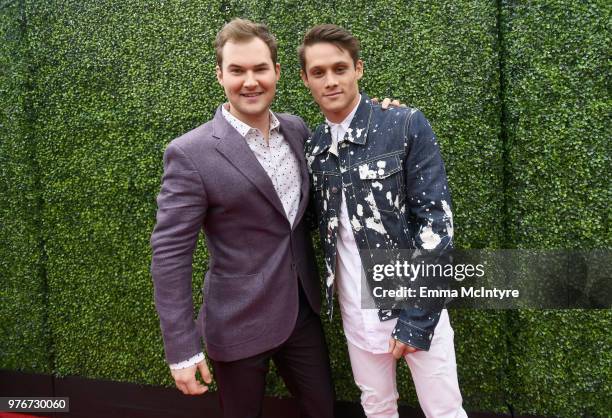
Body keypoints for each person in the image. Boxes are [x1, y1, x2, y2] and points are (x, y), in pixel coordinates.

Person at [150, 18, 335, 418]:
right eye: (237, 70)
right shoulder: (190, 153)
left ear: (277, 72)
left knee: (323, 409)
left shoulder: (298, 130)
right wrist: (182, 349)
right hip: (237, 321)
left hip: (302, 311)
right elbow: (169, 255)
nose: (250, 81)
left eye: (259, 69)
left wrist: (389, 117)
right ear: (220, 75)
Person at [299, 24, 468, 418]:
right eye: (319, 72)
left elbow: (437, 229)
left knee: (444, 410)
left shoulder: (403, 124)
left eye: (340, 68)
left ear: (358, 69)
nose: (331, 81)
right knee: (376, 408)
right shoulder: (315, 148)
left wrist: (416, 318)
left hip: (415, 304)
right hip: (354, 311)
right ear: (305, 79)